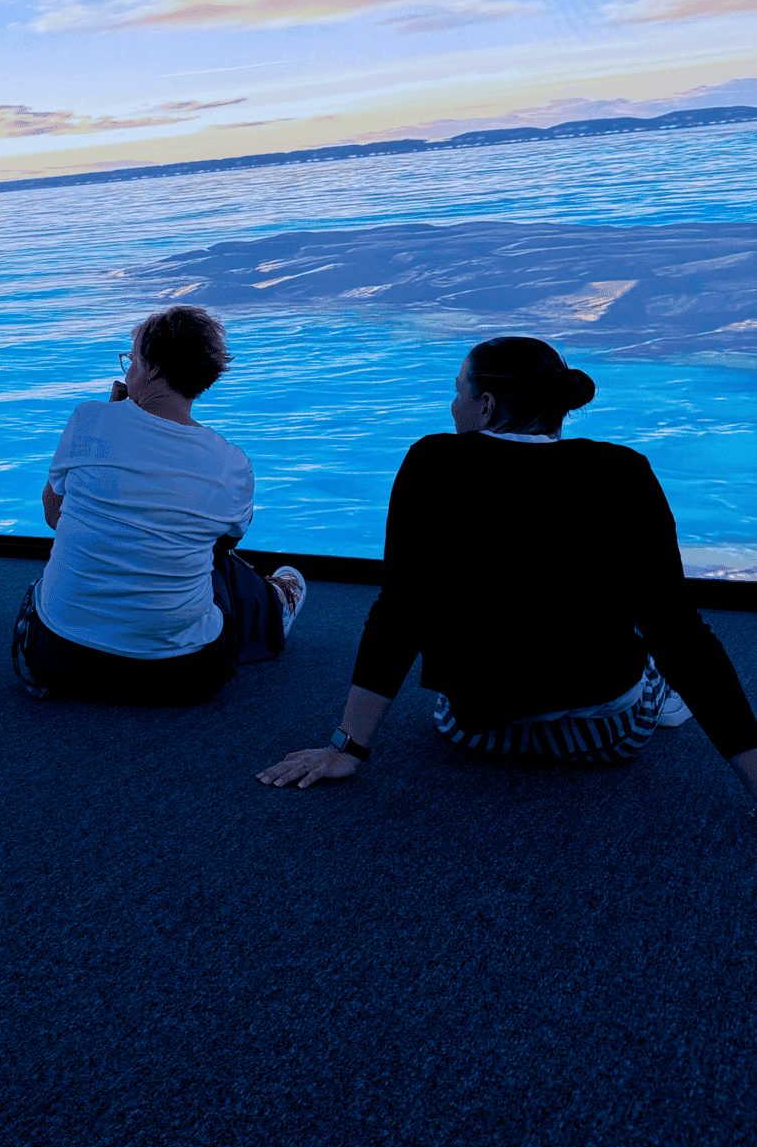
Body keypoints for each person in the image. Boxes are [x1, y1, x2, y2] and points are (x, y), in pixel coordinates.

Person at [258, 335, 757, 807]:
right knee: (652, 636)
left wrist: (348, 749)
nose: (453, 406)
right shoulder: (624, 470)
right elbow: (681, 635)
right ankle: (658, 693)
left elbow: (399, 614)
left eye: (459, 393)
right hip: (609, 736)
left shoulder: (431, 463)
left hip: (475, 730)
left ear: (487, 406)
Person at [16, 305, 306, 706]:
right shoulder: (230, 463)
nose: (128, 368)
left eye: (132, 358)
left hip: (55, 657)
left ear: (151, 368)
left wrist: (112, 413)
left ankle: (271, 604)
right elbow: (228, 542)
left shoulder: (88, 419)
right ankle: (276, 605)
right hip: (181, 674)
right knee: (213, 556)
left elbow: (53, 515)